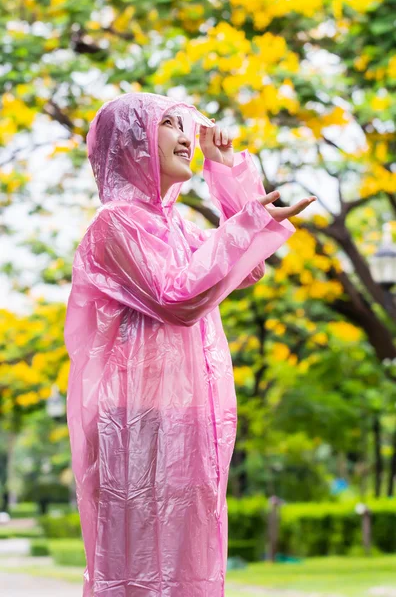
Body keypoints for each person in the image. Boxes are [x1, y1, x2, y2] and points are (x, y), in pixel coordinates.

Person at [64, 91, 316, 597]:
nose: (187, 137)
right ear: (134, 142)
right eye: (170, 125)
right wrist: (247, 222)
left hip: (192, 419)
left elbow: (246, 267)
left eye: (187, 126)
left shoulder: (178, 225)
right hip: (134, 422)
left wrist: (226, 173)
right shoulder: (114, 223)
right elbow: (177, 299)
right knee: (135, 565)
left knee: (193, 562)